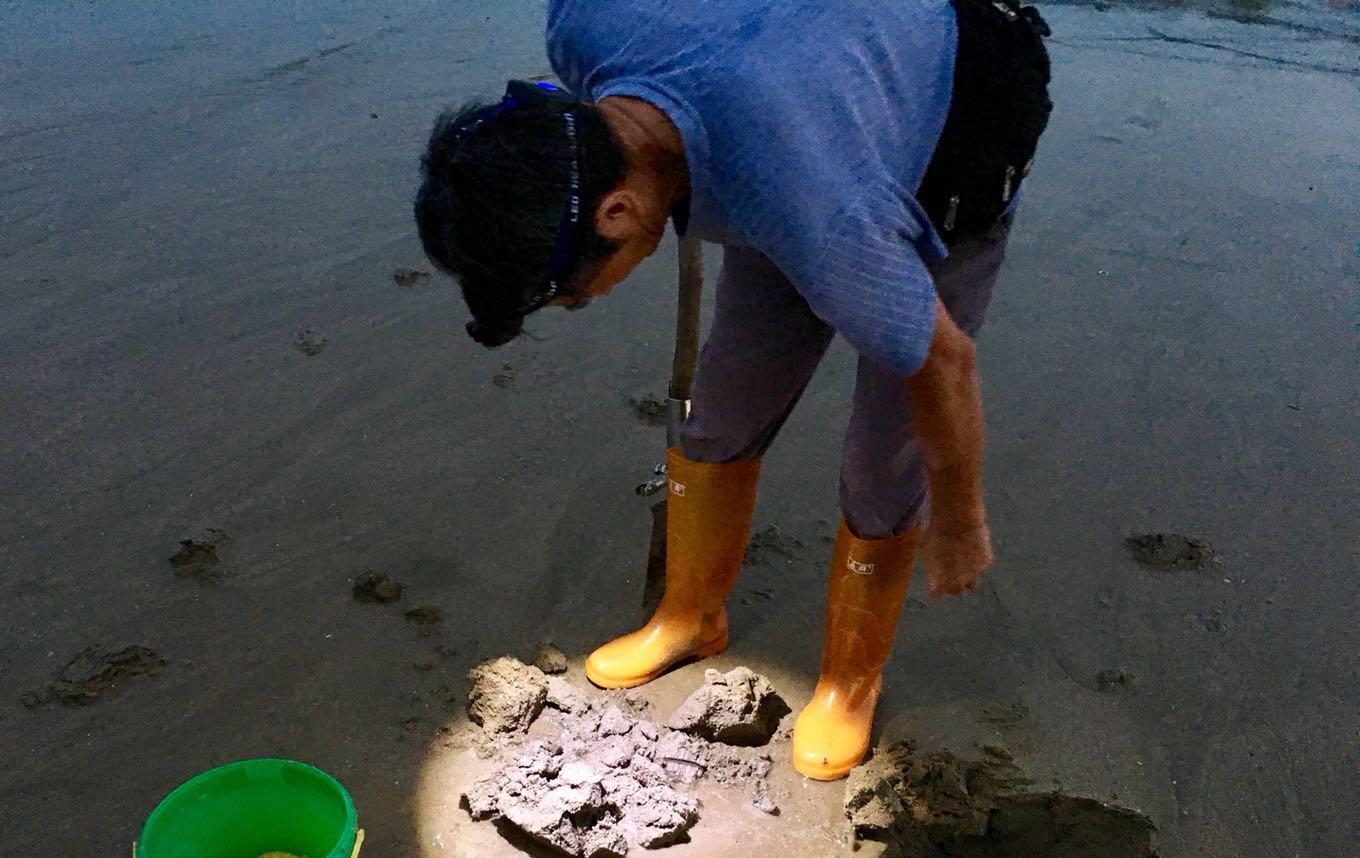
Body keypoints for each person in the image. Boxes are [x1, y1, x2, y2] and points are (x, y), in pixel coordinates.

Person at [415, 0, 1051, 780]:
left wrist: (961, 521)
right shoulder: (585, 26)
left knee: (884, 448)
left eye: (571, 296)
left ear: (619, 209)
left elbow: (942, 365)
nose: (580, 305)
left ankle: (850, 682)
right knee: (725, 404)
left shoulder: (822, 214)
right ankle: (690, 616)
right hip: (787, 105)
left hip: (960, 116)